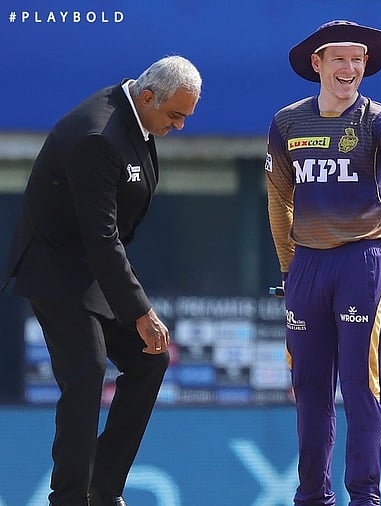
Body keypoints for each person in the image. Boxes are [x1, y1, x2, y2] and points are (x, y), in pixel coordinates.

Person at [1, 56, 201, 506]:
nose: (180, 126)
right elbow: (102, 236)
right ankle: (69, 498)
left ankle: (103, 489)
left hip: (92, 266)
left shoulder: (136, 116)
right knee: (87, 372)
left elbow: (105, 240)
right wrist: (141, 311)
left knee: (149, 361)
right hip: (55, 268)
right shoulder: (98, 135)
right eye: (175, 115)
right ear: (147, 97)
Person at [264, 20, 381, 506]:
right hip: (307, 265)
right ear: (317, 64)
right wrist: (290, 269)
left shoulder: (377, 118)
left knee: (360, 381)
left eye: (358, 60)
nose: (350, 68)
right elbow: (278, 201)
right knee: (309, 385)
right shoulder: (288, 123)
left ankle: (365, 497)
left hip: (364, 260)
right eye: (340, 58)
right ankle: (312, 497)